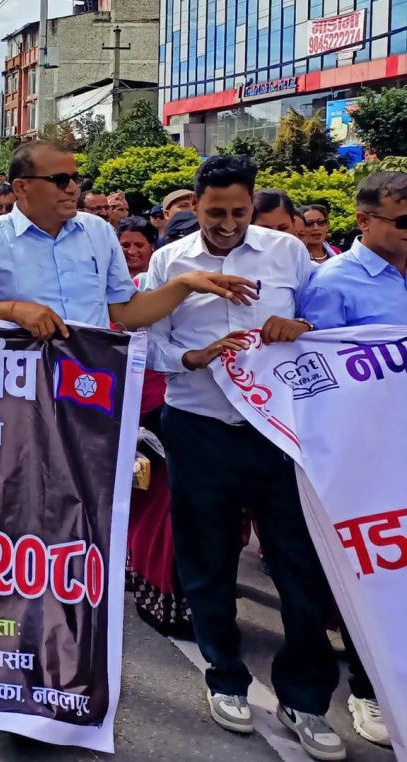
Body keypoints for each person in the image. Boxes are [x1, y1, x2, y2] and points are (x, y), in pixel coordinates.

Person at [140, 154, 344, 760]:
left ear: (252, 206)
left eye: (237, 211)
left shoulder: (286, 256)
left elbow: (325, 323)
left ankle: (304, 698)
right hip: (199, 425)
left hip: (278, 432)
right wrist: (192, 358)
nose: (226, 224)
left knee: (299, 564)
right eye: (213, 212)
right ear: (194, 207)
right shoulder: (169, 263)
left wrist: (297, 323)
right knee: (207, 560)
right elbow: (148, 341)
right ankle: (225, 677)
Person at [295, 172, 405, 749]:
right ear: (364, 221)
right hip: (367, 463)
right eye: (403, 221)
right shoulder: (332, 284)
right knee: (371, 576)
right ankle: (369, 690)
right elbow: (321, 380)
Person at [0, 142, 257, 334]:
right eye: (60, 180)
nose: (72, 188)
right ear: (22, 187)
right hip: (14, 392)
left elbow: (123, 313)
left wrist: (185, 284)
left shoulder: (98, 231)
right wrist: (12, 311)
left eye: (75, 179)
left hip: (87, 390)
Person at [115, 215, 191, 638]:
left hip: (187, 409)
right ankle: (152, 586)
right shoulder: (117, 296)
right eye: (123, 245)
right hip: (137, 410)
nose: (132, 252)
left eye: (138, 244)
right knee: (149, 503)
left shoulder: (204, 294)